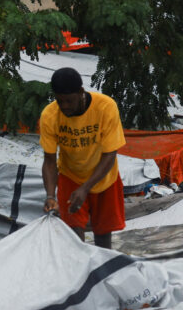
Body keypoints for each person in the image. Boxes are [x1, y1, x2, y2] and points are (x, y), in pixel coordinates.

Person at [40, 67, 126, 248]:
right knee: (72, 234)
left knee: (102, 234)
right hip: (71, 177)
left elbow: (110, 154)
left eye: (69, 101)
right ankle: (78, 270)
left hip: (104, 178)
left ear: (81, 92)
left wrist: (86, 188)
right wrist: (50, 196)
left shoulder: (106, 107)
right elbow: (49, 160)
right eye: (59, 101)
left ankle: (101, 272)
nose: (64, 107)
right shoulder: (49, 115)